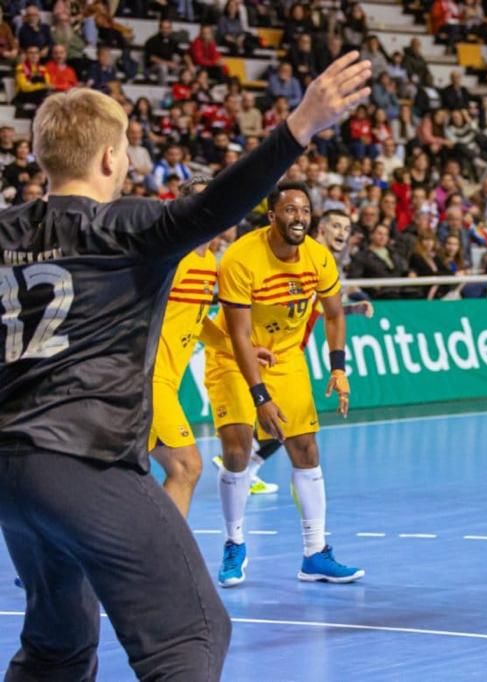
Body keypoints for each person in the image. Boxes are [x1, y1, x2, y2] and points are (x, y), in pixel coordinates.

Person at [0, 54, 372, 679]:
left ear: (42, 156)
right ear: (113, 159)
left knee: (56, 647)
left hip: (10, 474)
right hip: (84, 461)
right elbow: (220, 203)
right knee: (191, 635)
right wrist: (301, 124)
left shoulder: (7, 229)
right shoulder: (125, 227)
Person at [206, 181, 364, 588]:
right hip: (233, 356)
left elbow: (333, 315)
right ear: (273, 215)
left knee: (306, 448)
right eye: (291, 210)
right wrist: (260, 397)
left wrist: (338, 368)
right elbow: (239, 336)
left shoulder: (317, 258)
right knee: (238, 447)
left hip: (287, 356)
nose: (300, 218)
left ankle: (315, 554)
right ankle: (234, 544)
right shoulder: (241, 258)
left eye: (305, 211)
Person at [147, 175, 279, 515]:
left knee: (118, 476)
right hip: (146, 380)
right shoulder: (170, 259)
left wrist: (242, 349)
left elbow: (195, 319)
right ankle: (166, 558)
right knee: (186, 466)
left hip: (165, 382)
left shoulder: (208, 262)